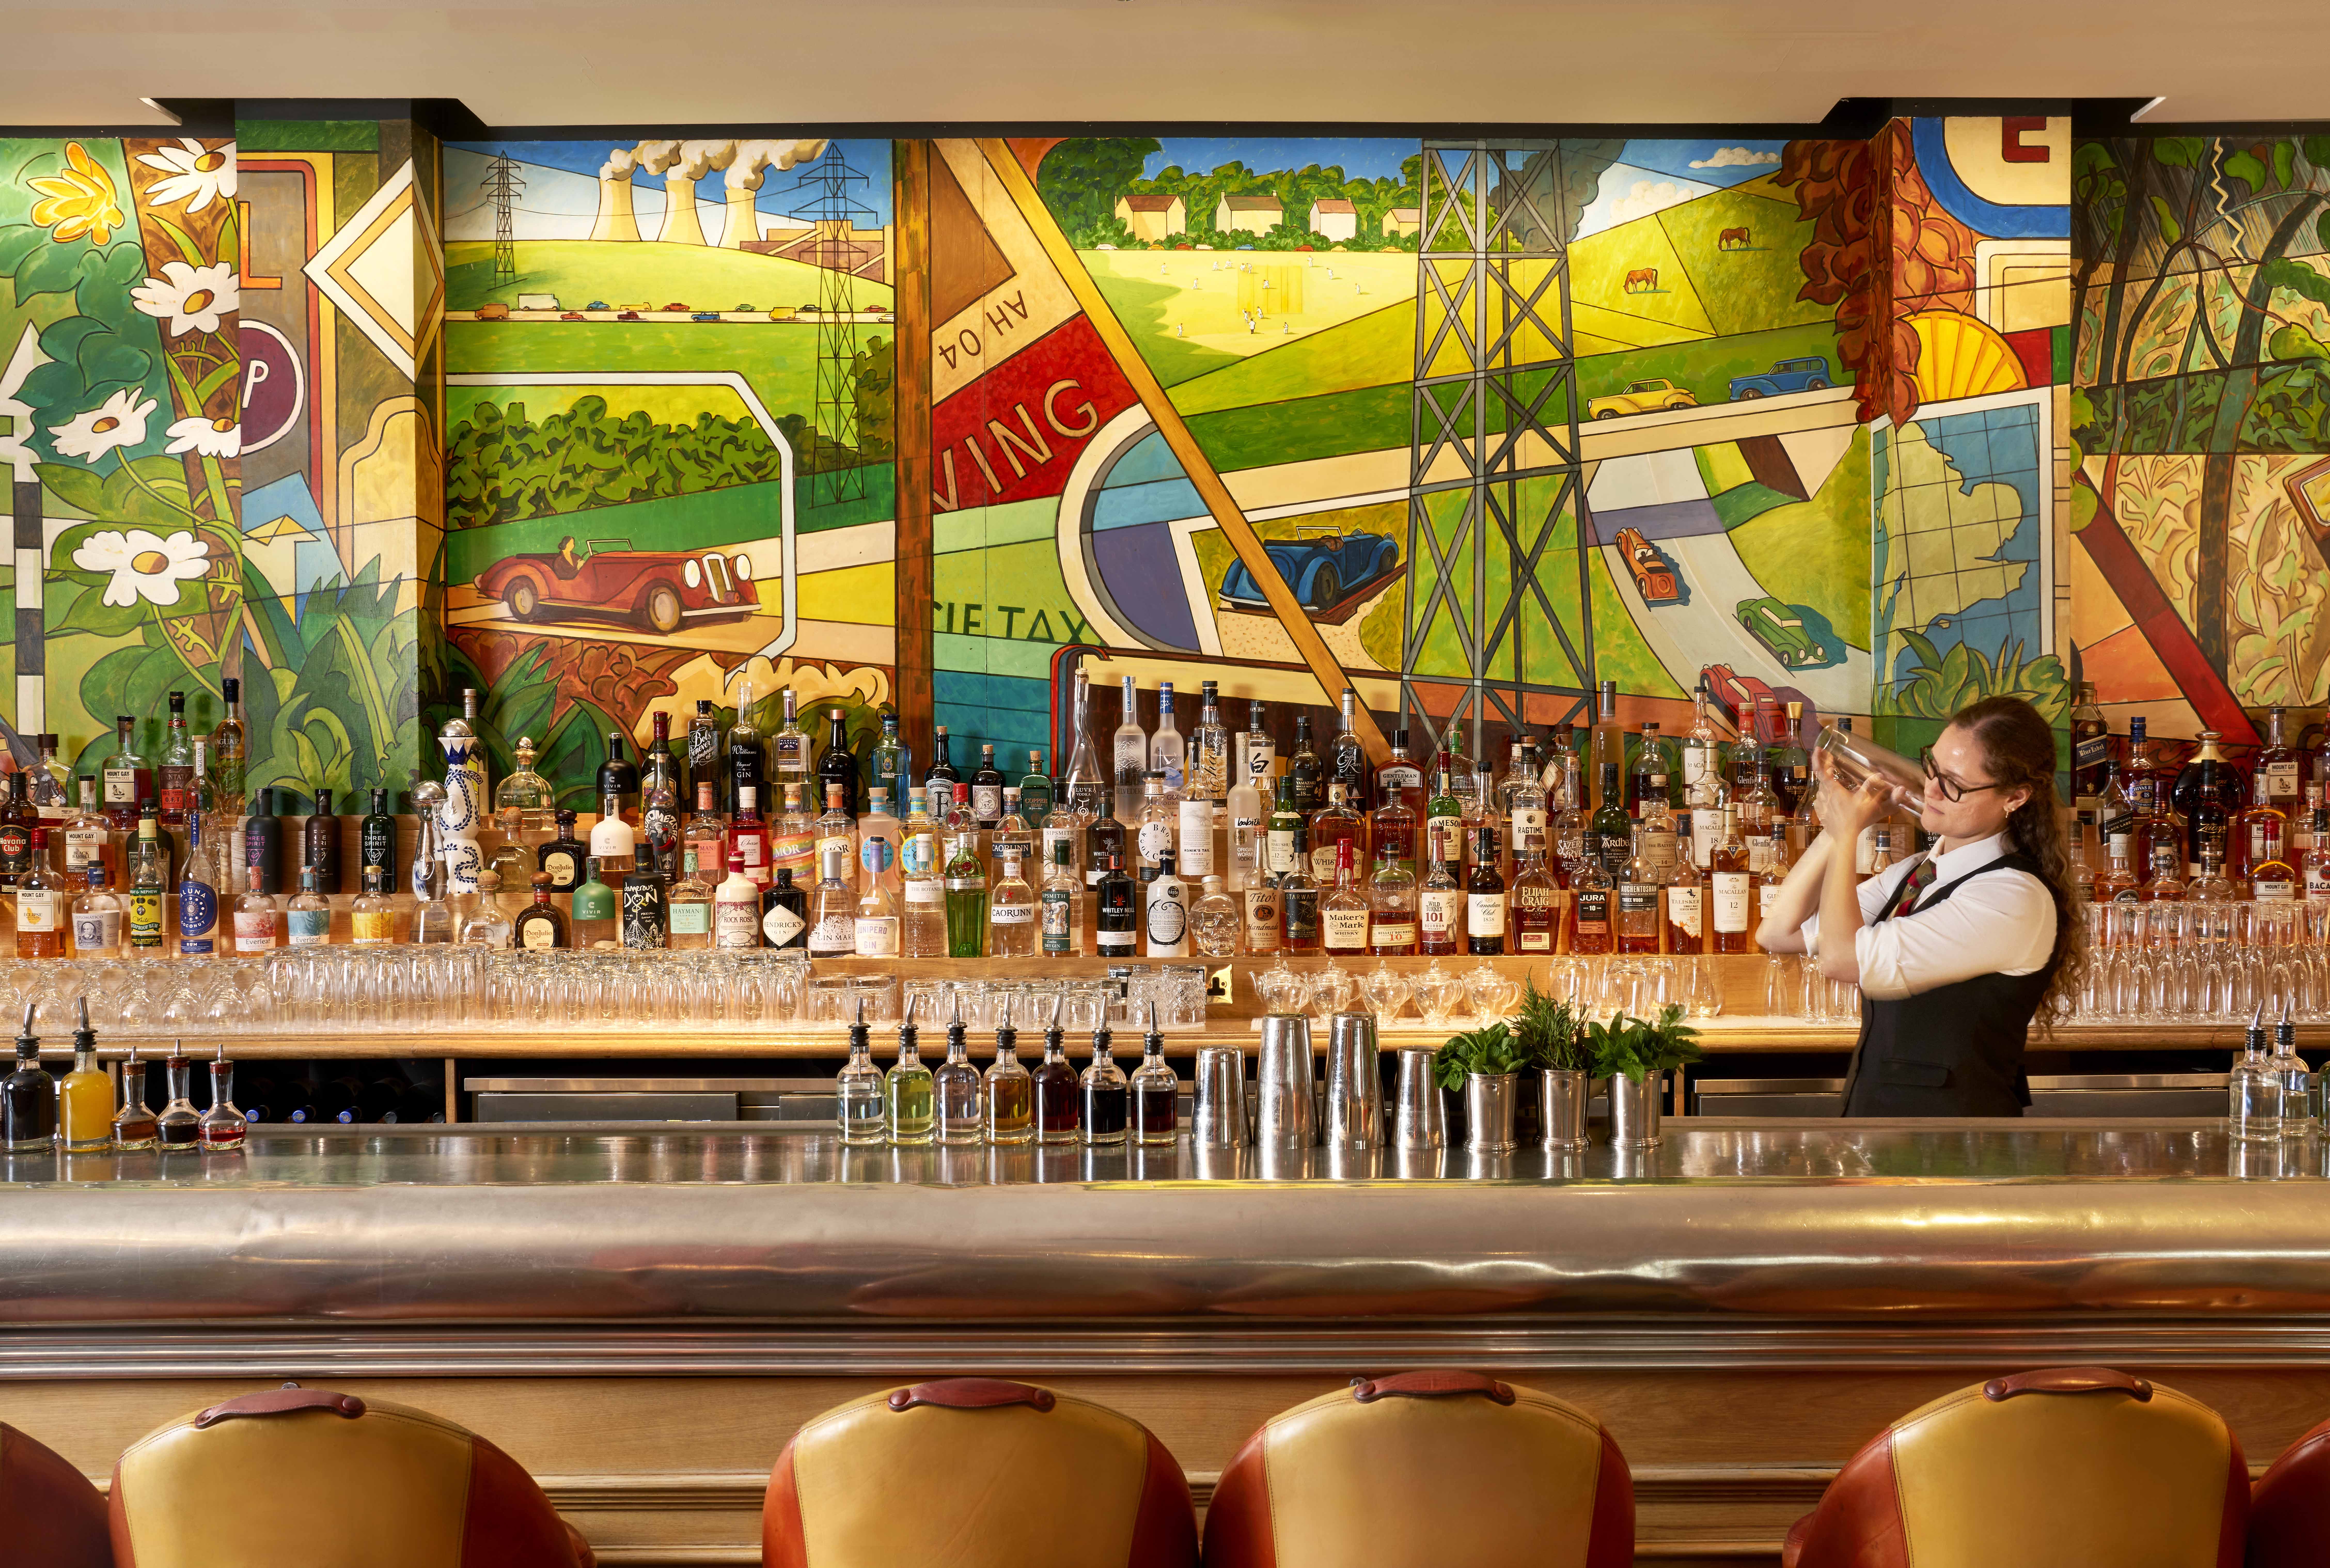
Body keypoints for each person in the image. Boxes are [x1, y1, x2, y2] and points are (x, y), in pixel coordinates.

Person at [1757, 697, 2084, 1116]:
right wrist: (1835, 832)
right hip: (1885, 1140)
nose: (1930, 789)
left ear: (2016, 797)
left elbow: (1841, 959)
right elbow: (1778, 933)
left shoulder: (2013, 897)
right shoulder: (1920, 871)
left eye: (1954, 784)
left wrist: (1847, 830)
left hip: (1955, 1146)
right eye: (1932, 767)